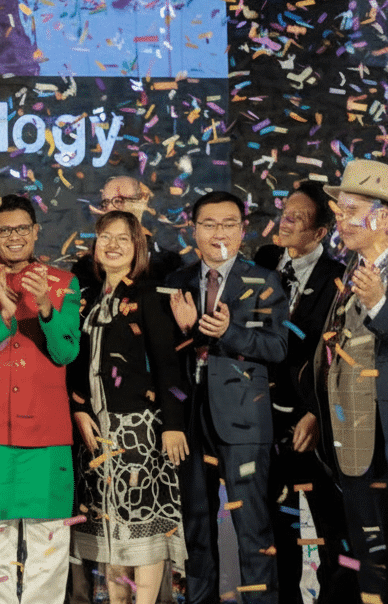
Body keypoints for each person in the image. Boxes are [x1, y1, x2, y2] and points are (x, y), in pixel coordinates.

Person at [0, 193, 80, 604]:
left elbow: (65, 353)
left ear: (35, 231)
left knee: (48, 543)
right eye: (5, 229)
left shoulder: (62, 282)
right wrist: (3, 317)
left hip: (46, 434)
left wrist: (45, 307)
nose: (14, 236)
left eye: (22, 228)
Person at [164, 190, 287, 604]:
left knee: (253, 529)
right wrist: (187, 332)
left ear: (243, 230)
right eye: (210, 224)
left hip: (244, 422)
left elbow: (278, 348)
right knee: (196, 529)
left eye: (229, 224)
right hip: (190, 421)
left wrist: (227, 332)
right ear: (193, 230)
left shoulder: (264, 280)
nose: (220, 232)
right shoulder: (177, 282)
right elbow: (165, 354)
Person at [67, 211, 187, 604]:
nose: (113, 245)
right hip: (96, 435)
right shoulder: (87, 299)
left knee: (142, 531)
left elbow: (168, 365)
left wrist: (173, 424)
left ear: (137, 248)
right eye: (106, 236)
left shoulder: (149, 295)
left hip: (139, 432)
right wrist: (78, 409)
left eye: (123, 238)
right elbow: (76, 365)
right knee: (111, 532)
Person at [253, 182, 354, 604]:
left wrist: (315, 412)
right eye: (285, 213)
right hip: (263, 423)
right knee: (279, 531)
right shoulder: (263, 263)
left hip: (314, 426)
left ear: (320, 232)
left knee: (331, 532)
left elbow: (341, 354)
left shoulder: (339, 277)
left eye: (299, 217)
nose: (286, 221)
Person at [316, 159, 388, 599]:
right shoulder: (349, 269)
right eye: (338, 210)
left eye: (351, 210)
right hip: (353, 440)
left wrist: (380, 304)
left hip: (383, 435)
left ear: (383, 218)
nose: (340, 220)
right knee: (369, 555)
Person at [71, 176, 184, 287]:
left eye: (118, 201)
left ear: (143, 199)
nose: (110, 208)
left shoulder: (167, 257)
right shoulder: (87, 266)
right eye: (105, 203)